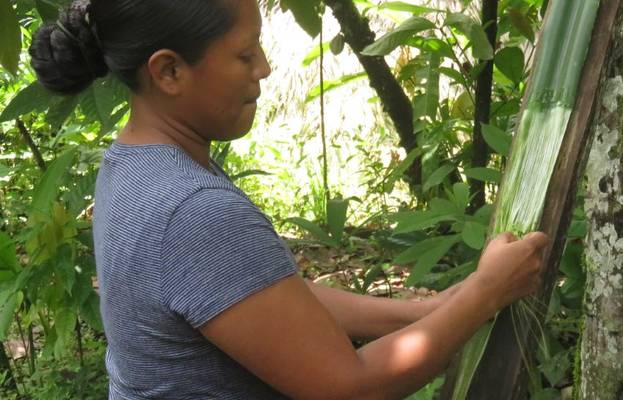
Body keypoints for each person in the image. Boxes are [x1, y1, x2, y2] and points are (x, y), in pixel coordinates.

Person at [29, 0, 549, 399]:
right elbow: (349, 388)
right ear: (169, 72)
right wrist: (487, 292)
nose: (265, 67)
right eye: (244, 52)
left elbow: (258, 298)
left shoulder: (131, 164)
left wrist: (424, 310)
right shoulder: (190, 209)